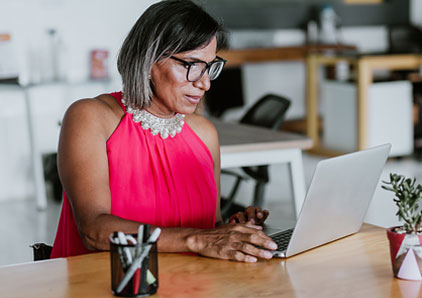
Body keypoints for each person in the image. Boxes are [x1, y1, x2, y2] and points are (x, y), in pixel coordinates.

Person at [50, 0, 277, 263]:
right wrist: (197, 239)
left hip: (192, 285)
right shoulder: (91, 117)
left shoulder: (204, 134)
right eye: (192, 65)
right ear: (149, 61)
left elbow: (210, 226)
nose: (204, 83)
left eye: (210, 66)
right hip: (112, 285)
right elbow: (94, 230)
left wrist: (232, 231)